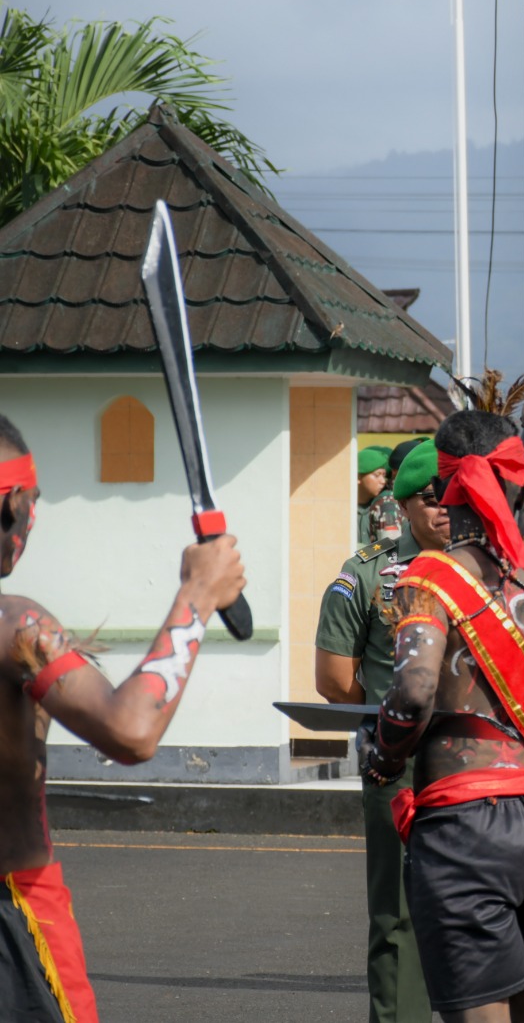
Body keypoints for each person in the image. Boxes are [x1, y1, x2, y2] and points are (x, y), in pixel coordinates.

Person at [0, 414, 246, 1023]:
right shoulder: (15, 626)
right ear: (12, 507)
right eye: (33, 504)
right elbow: (131, 731)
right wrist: (198, 593)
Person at [364, 379, 524, 1023]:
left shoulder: (428, 579)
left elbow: (411, 694)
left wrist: (383, 760)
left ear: (440, 492)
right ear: (517, 481)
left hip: (466, 829)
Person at [315, 440, 448, 1023]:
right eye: (431, 497)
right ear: (402, 501)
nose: (445, 507)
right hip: (398, 762)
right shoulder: (368, 573)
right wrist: (390, 716)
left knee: (482, 907)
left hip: (477, 758)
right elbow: (335, 679)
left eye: (454, 495)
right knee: (397, 911)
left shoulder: (493, 566)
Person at [360, 444, 404, 544]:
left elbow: (390, 546)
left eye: (384, 476)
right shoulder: (385, 503)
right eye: (377, 475)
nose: (383, 481)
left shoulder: (386, 504)